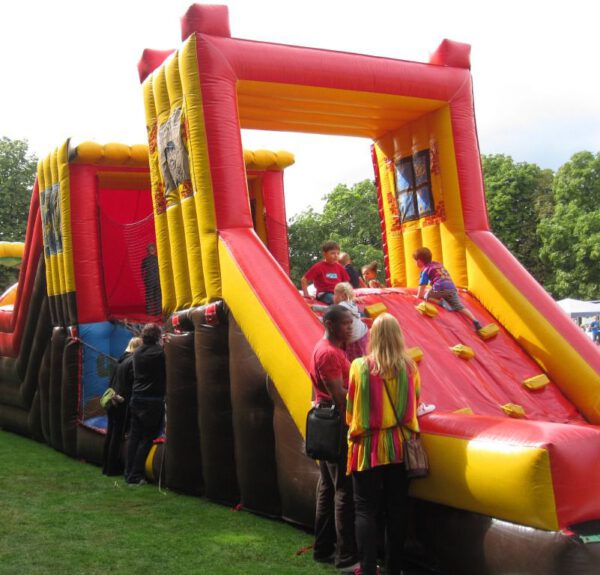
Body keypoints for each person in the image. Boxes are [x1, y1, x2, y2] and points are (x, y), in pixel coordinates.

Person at [346, 313, 421, 575]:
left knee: (365, 510)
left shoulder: (359, 366)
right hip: (400, 447)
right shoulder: (410, 368)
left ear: (373, 337)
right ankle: (394, 569)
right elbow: (416, 403)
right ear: (399, 336)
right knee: (397, 511)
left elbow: (351, 409)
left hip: (367, 448)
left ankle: (367, 568)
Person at [310, 305, 358, 571]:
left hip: (327, 424)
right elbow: (340, 399)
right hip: (336, 426)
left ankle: (323, 549)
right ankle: (346, 557)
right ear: (329, 324)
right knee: (342, 491)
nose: (350, 327)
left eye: (351, 323)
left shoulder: (332, 349)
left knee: (328, 488)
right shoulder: (328, 353)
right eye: (345, 323)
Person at [125, 323, 166, 485]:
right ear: (157, 336)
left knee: (135, 437)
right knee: (147, 438)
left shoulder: (138, 351)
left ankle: (129, 472)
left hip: (137, 398)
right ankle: (136, 475)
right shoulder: (159, 353)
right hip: (152, 400)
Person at [412, 246, 482, 331]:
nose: (415, 263)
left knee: (427, 296)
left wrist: (418, 296)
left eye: (415, 261)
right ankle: (475, 321)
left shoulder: (425, 270)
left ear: (419, 261)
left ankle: (442, 303)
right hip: (451, 288)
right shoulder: (438, 264)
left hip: (440, 288)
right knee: (459, 306)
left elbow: (422, 287)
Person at [102, 336, 142, 476]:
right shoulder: (132, 362)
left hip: (113, 401)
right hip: (122, 402)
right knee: (117, 436)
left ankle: (106, 466)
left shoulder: (120, 360)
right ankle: (112, 468)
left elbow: (112, 382)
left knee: (111, 434)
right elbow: (133, 383)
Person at [334, 282, 369, 361]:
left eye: (335, 294)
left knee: (354, 361)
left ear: (342, 296)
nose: (333, 297)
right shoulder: (350, 303)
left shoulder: (341, 306)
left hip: (354, 339)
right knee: (364, 358)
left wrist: (316, 315)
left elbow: (330, 314)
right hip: (363, 334)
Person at [141, 243, 162, 316]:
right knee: (158, 296)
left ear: (147, 251)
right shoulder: (158, 259)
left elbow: (142, 272)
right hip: (157, 280)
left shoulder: (145, 260)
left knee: (149, 297)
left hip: (149, 280)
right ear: (155, 250)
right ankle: (158, 312)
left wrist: (144, 280)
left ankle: (150, 313)